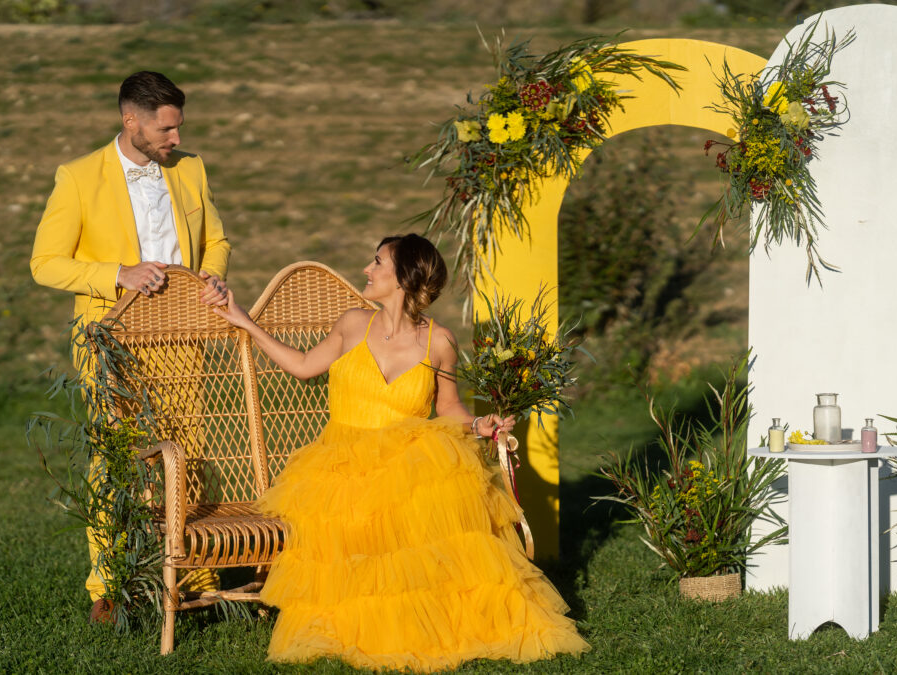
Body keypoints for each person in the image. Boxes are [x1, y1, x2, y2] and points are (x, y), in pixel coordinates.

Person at [214, 234, 590, 671]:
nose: (366, 271)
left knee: (429, 534)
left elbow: (447, 407)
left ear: (404, 278)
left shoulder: (440, 342)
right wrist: (246, 322)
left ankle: (432, 624)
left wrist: (479, 424)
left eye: (377, 263)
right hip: (344, 464)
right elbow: (302, 367)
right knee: (352, 539)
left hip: (407, 463)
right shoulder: (353, 324)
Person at [30, 70, 231, 620]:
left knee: (185, 452)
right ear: (130, 121)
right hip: (108, 337)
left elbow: (216, 239)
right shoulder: (76, 177)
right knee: (114, 457)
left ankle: (191, 572)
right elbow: (44, 264)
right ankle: (109, 584)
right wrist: (118, 272)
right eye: (165, 129)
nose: (175, 138)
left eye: (178, 127)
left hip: (181, 333)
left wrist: (211, 276)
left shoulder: (190, 168)